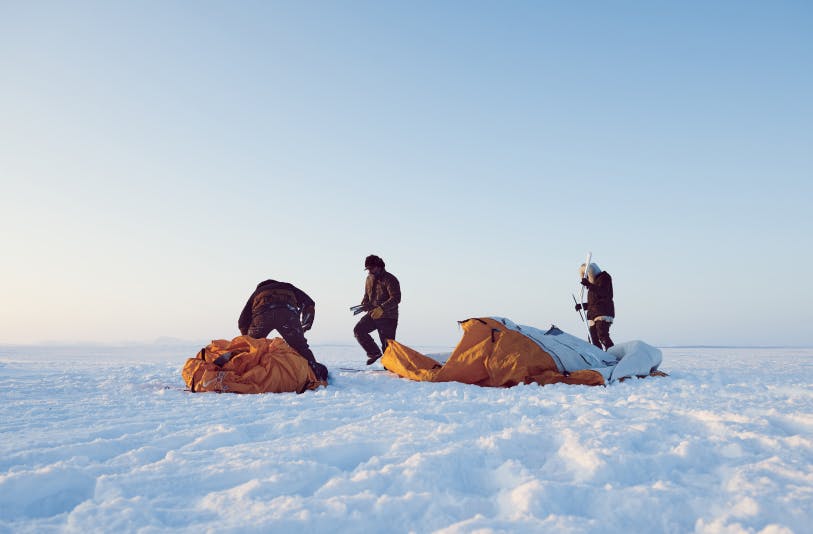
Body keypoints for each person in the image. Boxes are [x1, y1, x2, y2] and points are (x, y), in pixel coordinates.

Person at [238, 279, 328, 381]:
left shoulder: (258, 292)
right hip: (288, 314)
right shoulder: (288, 287)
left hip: (263, 315)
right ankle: (316, 374)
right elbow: (309, 303)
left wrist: (248, 339)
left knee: (251, 348)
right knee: (300, 347)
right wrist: (305, 325)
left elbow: (242, 320)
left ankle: (242, 374)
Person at [353, 254, 401, 365]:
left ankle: (391, 366)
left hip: (388, 317)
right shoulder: (369, 279)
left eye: (372, 268)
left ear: (379, 266)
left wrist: (382, 308)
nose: (369, 271)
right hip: (373, 314)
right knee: (359, 330)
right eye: (368, 269)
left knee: (387, 345)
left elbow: (396, 298)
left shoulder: (390, 279)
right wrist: (364, 303)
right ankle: (374, 353)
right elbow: (367, 295)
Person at [575, 262, 615, 351]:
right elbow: (593, 303)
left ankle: (614, 354)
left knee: (602, 335)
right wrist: (582, 306)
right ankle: (600, 357)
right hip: (593, 314)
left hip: (603, 312)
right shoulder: (592, 286)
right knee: (592, 339)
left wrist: (589, 285)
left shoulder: (604, 278)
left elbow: (603, 292)